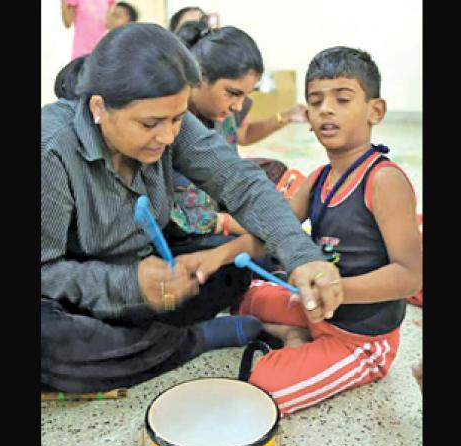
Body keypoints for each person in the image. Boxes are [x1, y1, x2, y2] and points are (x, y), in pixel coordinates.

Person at [40, 23, 342, 393]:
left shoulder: (170, 125)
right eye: (150, 124)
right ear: (99, 107)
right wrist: (128, 284)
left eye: (177, 119)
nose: (167, 137)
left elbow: (239, 181)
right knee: (51, 343)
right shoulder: (52, 152)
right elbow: (46, 270)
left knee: (230, 266)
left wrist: (302, 254)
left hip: (145, 272)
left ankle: (142, 340)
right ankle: (193, 340)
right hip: (76, 291)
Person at [229, 46, 423, 416]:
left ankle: (306, 348)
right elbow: (276, 226)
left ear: (375, 111)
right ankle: (293, 336)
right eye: (315, 101)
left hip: (360, 339)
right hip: (316, 310)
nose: (326, 110)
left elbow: (410, 277)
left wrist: (335, 291)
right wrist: (216, 252)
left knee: (262, 391)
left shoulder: (384, 180)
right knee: (242, 295)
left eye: (342, 98)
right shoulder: (318, 177)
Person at [165, 21, 307, 249]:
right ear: (199, 77)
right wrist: (228, 223)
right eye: (232, 93)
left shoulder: (223, 116)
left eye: (245, 95)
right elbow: (166, 212)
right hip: (182, 233)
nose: (238, 106)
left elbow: (234, 174)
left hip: (217, 209)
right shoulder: (167, 120)